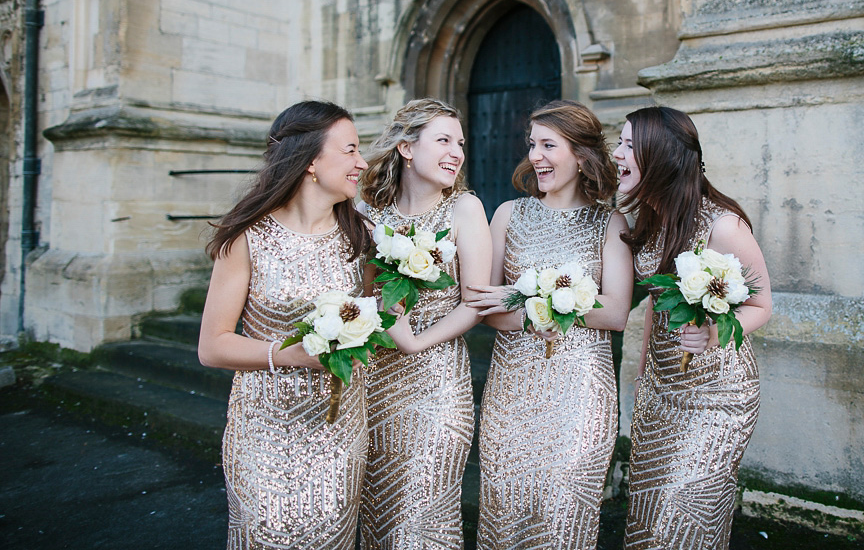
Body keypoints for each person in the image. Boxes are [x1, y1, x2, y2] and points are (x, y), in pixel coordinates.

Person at [198, 101, 371, 550]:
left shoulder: (363, 239)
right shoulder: (247, 237)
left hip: (338, 431)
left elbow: (382, 324)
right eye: (350, 150)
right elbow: (212, 346)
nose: (362, 162)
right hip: (263, 430)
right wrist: (285, 354)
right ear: (312, 160)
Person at [466, 100, 633, 549]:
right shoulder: (508, 215)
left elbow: (616, 311)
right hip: (513, 391)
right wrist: (532, 311)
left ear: (580, 155)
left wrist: (536, 302)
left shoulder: (609, 223)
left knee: (563, 515)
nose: (535, 156)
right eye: (531, 145)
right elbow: (488, 305)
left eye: (547, 145)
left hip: (580, 392)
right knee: (506, 509)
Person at [613, 106, 773, 549]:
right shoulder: (649, 218)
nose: (616, 153)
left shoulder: (723, 226)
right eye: (619, 142)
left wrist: (713, 334)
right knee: (649, 515)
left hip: (718, 395)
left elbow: (762, 304)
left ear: (660, 156)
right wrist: (644, 375)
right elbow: (652, 305)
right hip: (661, 391)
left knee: (680, 516)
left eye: (628, 145)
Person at [356, 98, 492, 548]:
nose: (457, 151)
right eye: (443, 140)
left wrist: (416, 342)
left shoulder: (465, 210)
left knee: (423, 515)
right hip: (375, 383)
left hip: (437, 386)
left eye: (460, 143)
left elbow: (475, 302)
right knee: (380, 510)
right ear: (407, 148)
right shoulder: (369, 213)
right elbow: (360, 293)